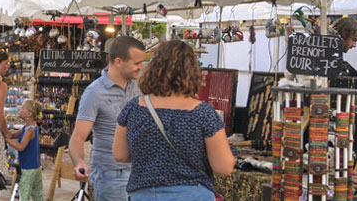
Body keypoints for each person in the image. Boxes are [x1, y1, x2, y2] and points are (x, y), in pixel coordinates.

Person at [113, 40, 234, 200]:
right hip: (192, 193)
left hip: (145, 194)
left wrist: (151, 158)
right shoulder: (203, 113)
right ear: (191, 72)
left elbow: (120, 154)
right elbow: (224, 167)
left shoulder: (134, 108)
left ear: (154, 69)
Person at [69, 36, 146, 201]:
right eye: (137, 63)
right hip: (111, 174)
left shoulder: (139, 86)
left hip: (140, 172)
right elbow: (77, 137)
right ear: (119, 62)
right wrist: (79, 162)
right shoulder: (94, 93)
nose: (141, 67)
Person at [6, 99, 43, 201]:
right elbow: (14, 135)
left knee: (24, 195)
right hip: (35, 166)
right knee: (37, 195)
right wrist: (7, 132)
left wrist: (7, 140)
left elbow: (21, 147)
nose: (19, 109)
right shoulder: (27, 127)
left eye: (22, 108)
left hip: (28, 169)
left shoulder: (29, 130)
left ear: (29, 114)